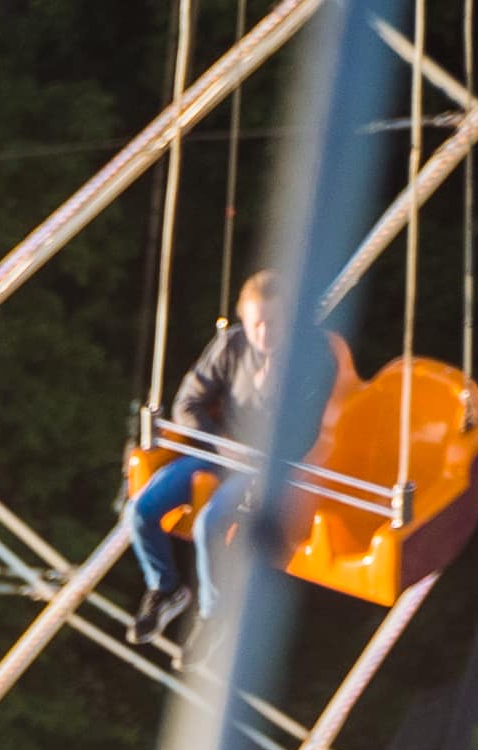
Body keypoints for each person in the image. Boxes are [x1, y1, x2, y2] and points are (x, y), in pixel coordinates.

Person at [126, 269, 352, 645]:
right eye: (256, 325)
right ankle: (165, 587)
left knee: (209, 524)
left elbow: (304, 431)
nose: (264, 334)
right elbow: (189, 401)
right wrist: (220, 442)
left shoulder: (314, 361)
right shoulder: (232, 346)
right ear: (245, 323)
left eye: (274, 324)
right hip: (219, 450)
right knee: (141, 510)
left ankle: (213, 614)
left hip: (265, 466)